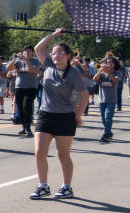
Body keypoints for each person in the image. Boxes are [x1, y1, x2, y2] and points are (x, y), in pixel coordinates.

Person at [29, 29, 88, 200]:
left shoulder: (74, 73)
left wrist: (78, 115)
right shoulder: (48, 66)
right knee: (39, 151)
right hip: (45, 115)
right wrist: (53, 35)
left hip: (64, 117)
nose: (56, 56)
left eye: (60, 53)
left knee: (63, 154)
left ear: (69, 56)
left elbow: (84, 95)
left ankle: (66, 187)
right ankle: (43, 186)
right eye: (54, 53)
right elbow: (38, 48)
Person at [6, 46, 40, 138]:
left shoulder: (35, 61)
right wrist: (15, 59)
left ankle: (28, 128)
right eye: (25, 51)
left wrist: (26, 60)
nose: (27, 53)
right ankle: (24, 127)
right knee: (20, 109)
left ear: (32, 53)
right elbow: (8, 68)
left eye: (29, 51)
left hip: (31, 88)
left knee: (26, 107)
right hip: (19, 88)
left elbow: (32, 70)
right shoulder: (18, 61)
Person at [93, 56, 121, 141]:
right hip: (101, 99)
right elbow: (94, 79)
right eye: (107, 62)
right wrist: (100, 70)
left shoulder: (117, 73)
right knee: (103, 119)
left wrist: (108, 72)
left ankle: (106, 133)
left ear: (115, 64)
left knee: (107, 117)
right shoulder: (102, 73)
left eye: (111, 62)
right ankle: (109, 133)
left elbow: (116, 81)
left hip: (111, 99)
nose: (109, 64)